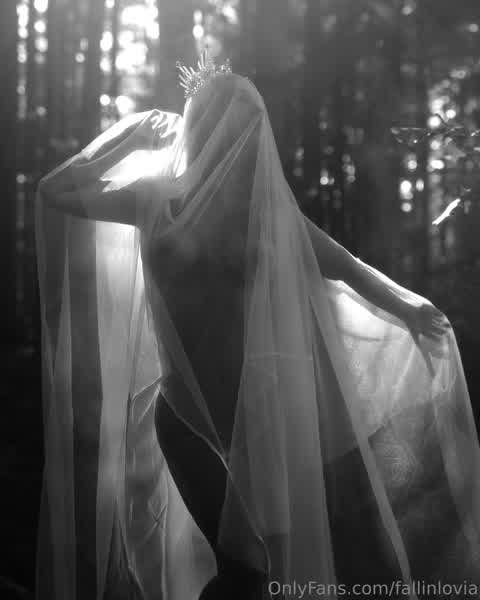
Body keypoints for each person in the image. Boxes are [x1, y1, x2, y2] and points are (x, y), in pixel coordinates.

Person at [35, 53, 480, 600]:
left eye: (244, 128)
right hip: (186, 420)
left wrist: (410, 310)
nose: (237, 138)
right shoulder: (153, 199)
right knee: (241, 572)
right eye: (223, 124)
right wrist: (133, 137)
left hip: (262, 425)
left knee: (277, 569)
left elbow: (344, 267)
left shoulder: (267, 212)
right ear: (201, 129)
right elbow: (55, 193)